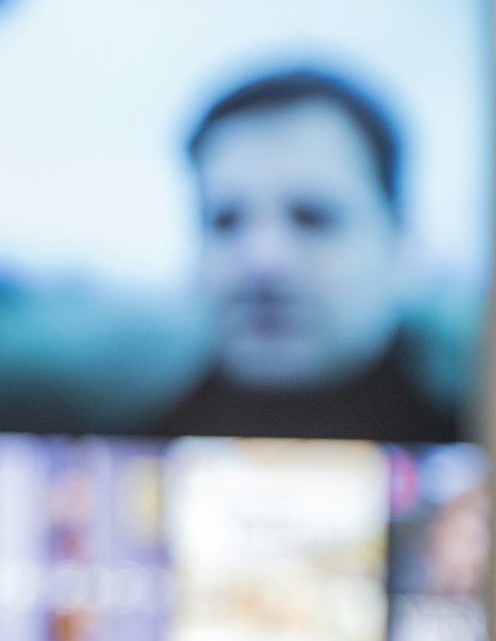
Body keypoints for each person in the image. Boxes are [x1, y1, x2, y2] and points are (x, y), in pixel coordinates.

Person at [158, 68, 455, 441]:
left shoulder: (491, 443)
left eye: (312, 218)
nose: (263, 260)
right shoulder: (122, 456)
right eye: (226, 221)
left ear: (402, 244)